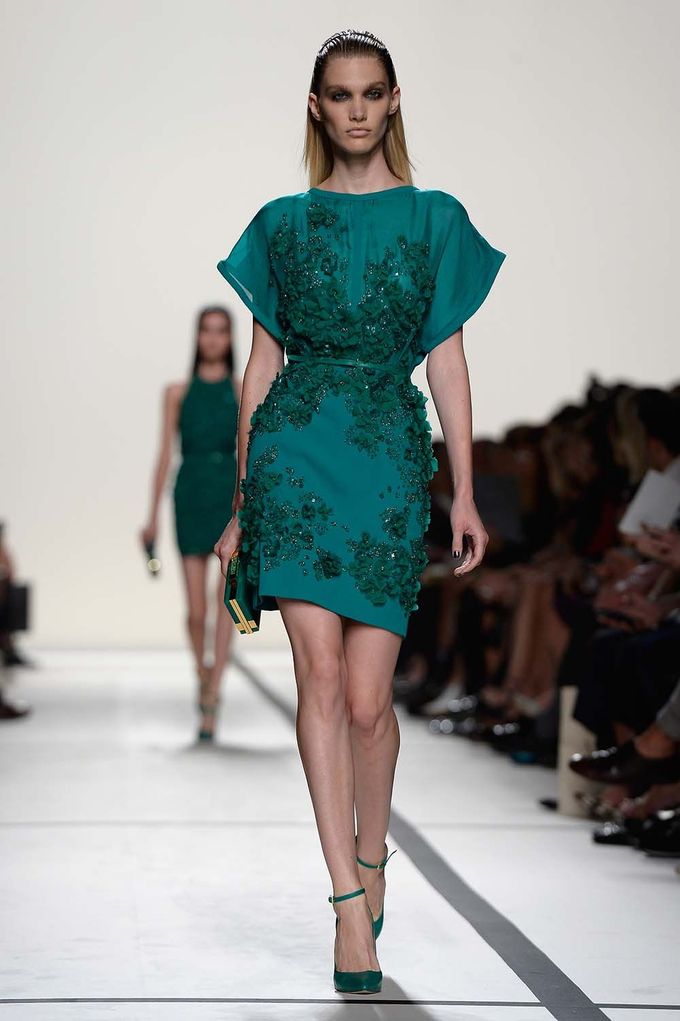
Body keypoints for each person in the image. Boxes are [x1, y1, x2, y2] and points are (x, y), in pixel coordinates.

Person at [214, 29, 506, 993]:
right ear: (317, 106)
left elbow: (448, 362)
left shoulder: (434, 218)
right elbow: (260, 367)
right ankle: (346, 900)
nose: (356, 110)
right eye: (339, 95)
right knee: (322, 675)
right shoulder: (281, 223)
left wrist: (464, 489)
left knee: (372, 703)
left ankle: (372, 855)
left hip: (386, 459)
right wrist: (243, 501)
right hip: (296, 457)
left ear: (393, 101)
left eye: (371, 93)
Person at [141, 307, 241, 741]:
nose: (213, 339)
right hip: (190, 493)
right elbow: (165, 454)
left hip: (227, 494)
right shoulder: (176, 393)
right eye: (207, 331)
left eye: (221, 331)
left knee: (225, 603)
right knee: (196, 610)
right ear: (197, 336)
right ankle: (201, 673)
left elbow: (250, 448)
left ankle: (214, 692)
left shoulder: (241, 390)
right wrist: (151, 517)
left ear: (230, 338)